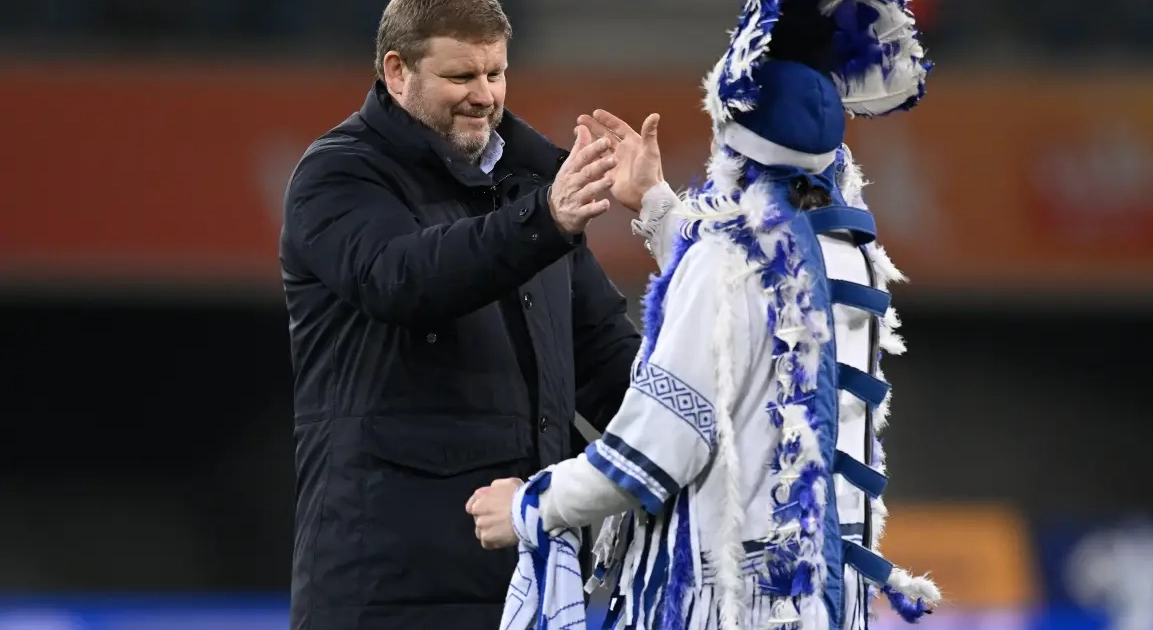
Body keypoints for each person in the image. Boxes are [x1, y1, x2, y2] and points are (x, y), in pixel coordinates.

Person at [465, 1, 943, 629]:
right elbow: (754, 290)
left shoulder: (722, 264)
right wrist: (657, 205)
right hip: (820, 601)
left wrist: (530, 505)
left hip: (722, 603)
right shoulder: (849, 256)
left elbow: (655, 451)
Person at [278, 1, 659, 628]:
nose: (484, 95)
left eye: (496, 74)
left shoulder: (529, 185)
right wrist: (545, 219)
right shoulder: (338, 173)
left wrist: (704, 427)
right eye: (461, 76)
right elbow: (403, 278)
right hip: (386, 591)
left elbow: (607, 361)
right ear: (397, 72)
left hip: (531, 578)